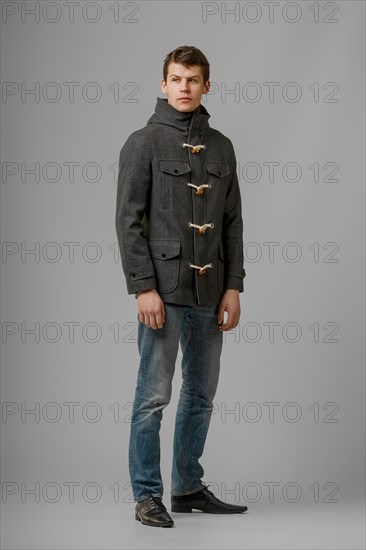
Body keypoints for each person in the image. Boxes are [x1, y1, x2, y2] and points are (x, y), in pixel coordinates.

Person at [115, 45, 248, 528]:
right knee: (153, 396)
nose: (185, 87)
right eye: (176, 79)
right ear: (163, 84)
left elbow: (232, 223)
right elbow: (128, 222)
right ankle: (147, 495)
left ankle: (188, 487)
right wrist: (142, 288)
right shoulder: (142, 143)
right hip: (163, 293)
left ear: (207, 85)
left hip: (211, 291)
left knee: (201, 394)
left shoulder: (222, 147)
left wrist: (233, 287)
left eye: (193, 79)